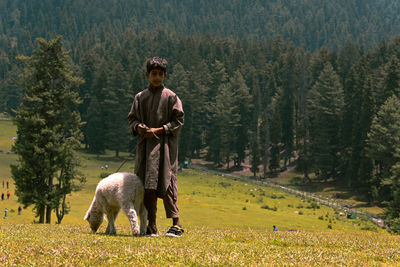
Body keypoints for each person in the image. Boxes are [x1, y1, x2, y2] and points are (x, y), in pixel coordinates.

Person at [128, 56, 184, 237]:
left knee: (167, 183)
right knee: (147, 185)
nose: (157, 77)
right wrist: (140, 127)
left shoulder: (171, 97)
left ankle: (177, 225)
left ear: (165, 76)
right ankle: (151, 225)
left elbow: (178, 121)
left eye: (160, 74)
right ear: (147, 75)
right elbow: (132, 119)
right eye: (154, 74)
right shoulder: (140, 97)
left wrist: (160, 129)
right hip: (145, 148)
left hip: (165, 147)